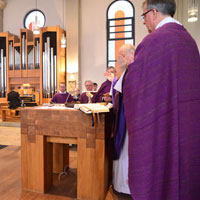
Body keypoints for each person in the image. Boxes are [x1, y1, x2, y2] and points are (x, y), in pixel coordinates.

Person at [123, 1, 200, 200]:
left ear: (154, 12)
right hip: (188, 126)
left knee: (161, 170)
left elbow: (136, 86)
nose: (143, 21)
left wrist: (126, 73)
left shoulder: (153, 42)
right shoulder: (189, 41)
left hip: (162, 123)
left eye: (143, 15)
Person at [112, 44, 135, 195]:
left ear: (127, 56)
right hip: (126, 117)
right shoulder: (127, 72)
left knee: (127, 151)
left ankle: (126, 187)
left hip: (129, 121)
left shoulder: (132, 72)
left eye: (120, 56)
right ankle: (121, 184)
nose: (118, 60)